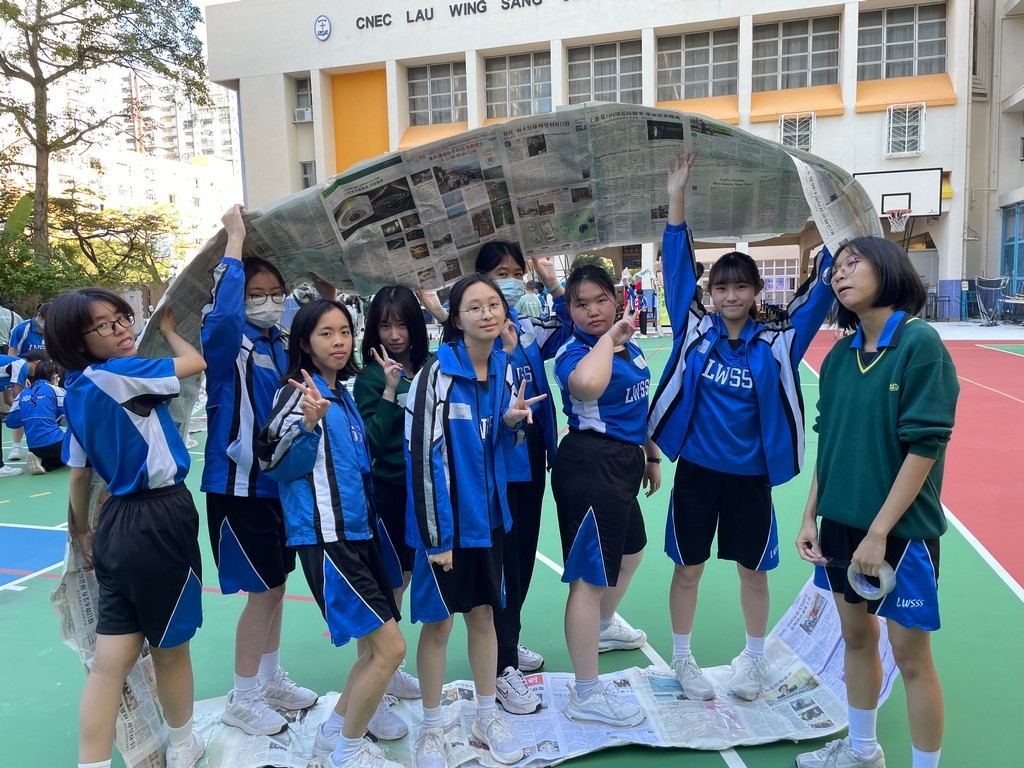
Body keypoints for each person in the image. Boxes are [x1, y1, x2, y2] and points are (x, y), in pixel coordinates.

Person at [647, 153, 836, 703]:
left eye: (740, 288)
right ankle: (683, 660)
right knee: (688, 570)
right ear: (710, 294)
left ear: (756, 291)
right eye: (721, 288)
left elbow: (820, 291)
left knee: (754, 573)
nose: (730, 297)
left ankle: (753, 662)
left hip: (751, 478)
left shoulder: (779, 342)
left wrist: (835, 224)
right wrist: (676, 198)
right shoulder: (694, 330)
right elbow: (676, 269)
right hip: (697, 474)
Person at [795, 237, 959, 768]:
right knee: (856, 637)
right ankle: (862, 750)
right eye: (835, 269)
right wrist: (810, 515)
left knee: (911, 657)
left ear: (887, 269)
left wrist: (879, 532)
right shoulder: (838, 357)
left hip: (901, 534)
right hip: (841, 526)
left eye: (852, 263)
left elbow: (925, 447)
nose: (839, 275)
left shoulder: (919, 344)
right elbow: (830, 440)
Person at [46, 287, 206, 768]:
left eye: (123, 318)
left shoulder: (77, 391)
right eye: (105, 325)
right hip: (160, 517)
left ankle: (92, 763)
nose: (121, 330)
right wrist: (171, 332)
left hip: (113, 523)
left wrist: (83, 530)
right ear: (78, 341)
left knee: (108, 665)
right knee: (170, 649)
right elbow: (195, 363)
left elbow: (78, 476)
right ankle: (184, 746)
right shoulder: (122, 373)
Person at [421, 244, 571, 716]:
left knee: (514, 569)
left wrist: (553, 282)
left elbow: (573, 323)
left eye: (512, 275)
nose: (492, 305)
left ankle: (506, 648)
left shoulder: (525, 334)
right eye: (497, 273)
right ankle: (497, 668)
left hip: (521, 467)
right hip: (478, 488)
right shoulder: (445, 371)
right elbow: (429, 455)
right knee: (462, 604)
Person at [258, 299, 406, 768]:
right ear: (304, 342)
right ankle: (346, 752)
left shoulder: (340, 393)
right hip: (326, 537)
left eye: (344, 331)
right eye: (326, 333)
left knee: (377, 650)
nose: (339, 341)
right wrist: (307, 426)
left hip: (359, 532)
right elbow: (273, 464)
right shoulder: (296, 395)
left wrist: (388, 391)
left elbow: (365, 454)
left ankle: (332, 735)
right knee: (391, 648)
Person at [405, 274, 543, 768]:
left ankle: (487, 716)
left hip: (489, 523)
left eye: (493, 305)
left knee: (484, 618)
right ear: (456, 319)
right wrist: (436, 538)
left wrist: (510, 424)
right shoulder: (434, 377)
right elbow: (422, 458)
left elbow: (500, 447)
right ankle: (432, 727)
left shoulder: (504, 368)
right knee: (438, 626)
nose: (487, 314)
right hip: (444, 529)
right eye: (474, 307)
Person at [200, 205, 318, 737]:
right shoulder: (229, 344)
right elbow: (223, 318)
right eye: (256, 294)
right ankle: (242, 695)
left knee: (276, 585)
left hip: (278, 484)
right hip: (239, 486)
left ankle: (268, 680)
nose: (268, 302)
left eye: (275, 293)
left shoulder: (279, 342)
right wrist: (235, 239)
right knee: (263, 590)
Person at [550, 262, 662, 728]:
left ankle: (601, 626)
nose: (593, 310)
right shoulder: (573, 352)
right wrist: (606, 340)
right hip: (590, 464)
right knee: (588, 580)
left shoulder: (630, 347)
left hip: (624, 462)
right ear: (570, 310)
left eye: (601, 300)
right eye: (581, 304)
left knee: (632, 551)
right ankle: (586, 694)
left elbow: (640, 404)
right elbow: (588, 385)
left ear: (616, 299)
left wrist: (651, 455)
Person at [352, 284, 430, 735]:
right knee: (385, 590)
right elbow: (371, 443)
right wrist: (388, 389)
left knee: (403, 579)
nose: (395, 334)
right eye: (385, 325)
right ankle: (373, 689)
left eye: (402, 324)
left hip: (424, 490)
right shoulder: (369, 378)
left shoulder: (432, 367)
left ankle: (388, 670)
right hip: (387, 492)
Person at [5, 358, 65, 474]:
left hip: (33, 446)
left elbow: (11, 422)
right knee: (80, 447)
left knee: (53, 453)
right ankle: (46, 464)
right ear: (54, 376)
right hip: (56, 444)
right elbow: (73, 415)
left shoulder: (22, 394)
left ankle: (40, 459)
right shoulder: (56, 390)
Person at [4, 348, 49, 461]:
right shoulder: (21, 365)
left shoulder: (9, 373)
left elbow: (8, 400)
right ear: (38, 362)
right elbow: (19, 399)